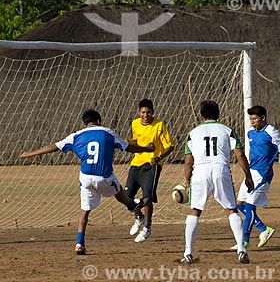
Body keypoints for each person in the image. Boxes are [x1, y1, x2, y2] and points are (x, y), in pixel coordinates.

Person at [19, 109, 154, 254]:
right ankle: (133, 206)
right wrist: (145, 149)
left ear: (84, 124)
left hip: (86, 178)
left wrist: (29, 154)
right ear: (99, 121)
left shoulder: (76, 135)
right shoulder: (108, 132)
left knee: (85, 211)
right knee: (117, 189)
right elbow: (128, 148)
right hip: (104, 177)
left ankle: (79, 244)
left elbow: (54, 147)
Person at [182, 100, 254, 264]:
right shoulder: (227, 130)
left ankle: (188, 252)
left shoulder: (193, 132)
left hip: (200, 172)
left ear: (201, 115)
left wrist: (187, 182)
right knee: (231, 209)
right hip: (221, 169)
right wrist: (248, 176)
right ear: (218, 115)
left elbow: (188, 161)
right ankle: (241, 249)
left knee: (194, 210)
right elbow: (240, 154)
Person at [230, 105, 280, 250]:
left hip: (263, 174)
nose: (252, 121)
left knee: (250, 205)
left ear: (263, 117)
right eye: (251, 119)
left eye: (255, 118)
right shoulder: (250, 133)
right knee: (239, 204)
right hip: (251, 173)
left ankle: (244, 241)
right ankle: (264, 230)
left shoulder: (272, 132)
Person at [126, 99, 175, 243]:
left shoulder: (159, 125)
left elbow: (170, 146)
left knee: (147, 197)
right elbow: (137, 141)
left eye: (148, 112)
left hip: (152, 166)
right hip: (136, 163)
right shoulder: (135, 124)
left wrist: (159, 157)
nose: (145, 115)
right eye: (143, 112)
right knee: (126, 195)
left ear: (152, 112)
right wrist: (130, 143)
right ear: (139, 112)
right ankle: (138, 216)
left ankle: (147, 227)